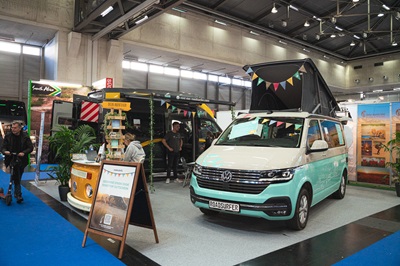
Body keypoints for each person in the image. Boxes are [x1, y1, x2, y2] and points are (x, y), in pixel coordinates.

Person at [1, 120, 33, 203]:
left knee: (18, 175)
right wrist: (5, 151)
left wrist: (24, 152)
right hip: (11, 158)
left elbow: (30, 148)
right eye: (12, 127)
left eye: (15, 128)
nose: (13, 129)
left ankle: (16, 193)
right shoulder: (8, 136)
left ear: (19, 128)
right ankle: (18, 194)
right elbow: (3, 147)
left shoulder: (25, 136)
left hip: (21, 159)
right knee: (16, 176)